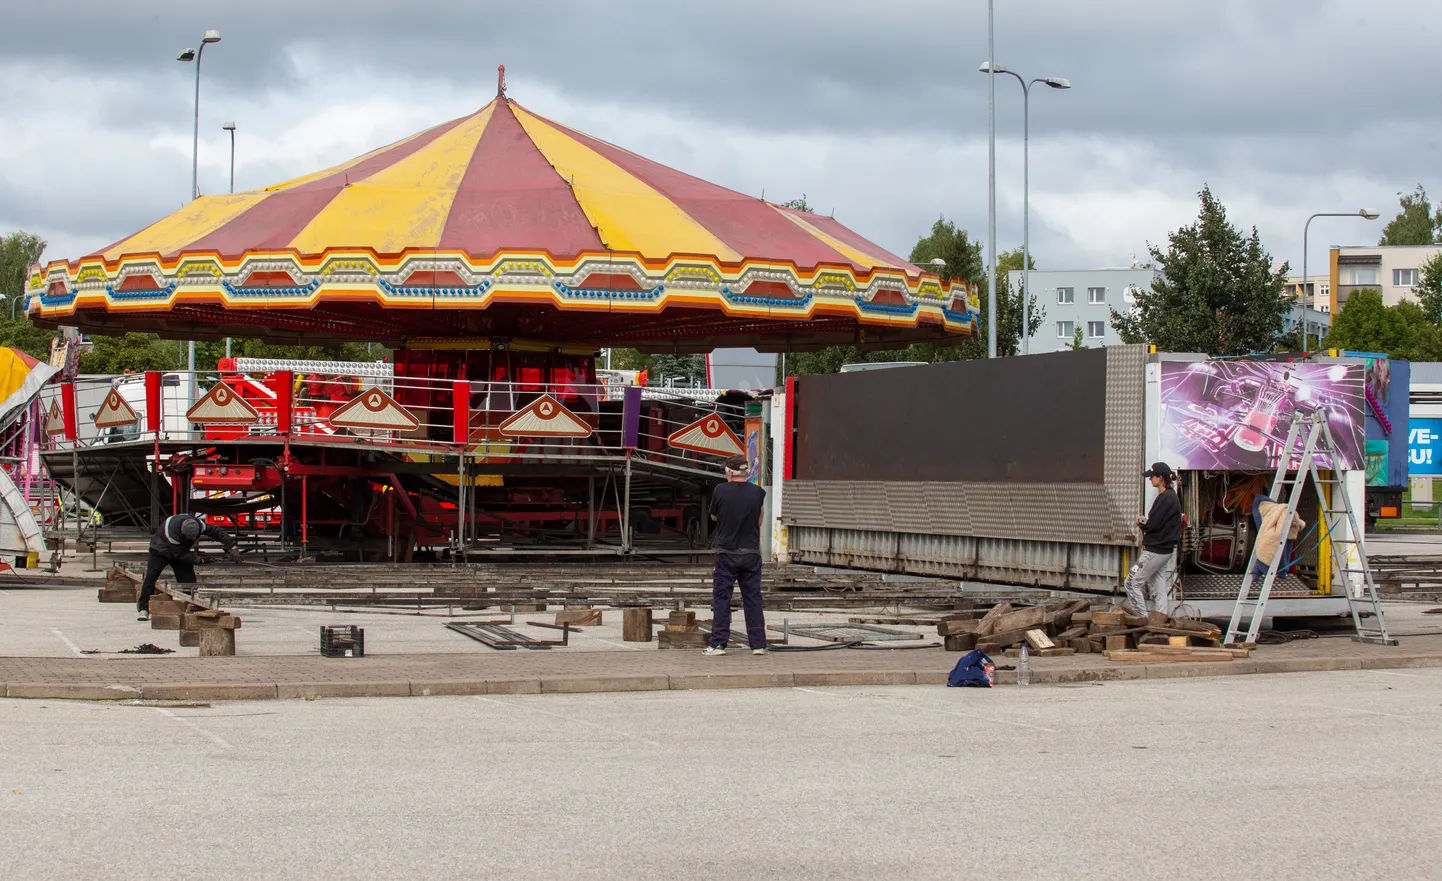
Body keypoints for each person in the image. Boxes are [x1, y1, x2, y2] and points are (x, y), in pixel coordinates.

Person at [704, 454, 768, 656]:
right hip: (751, 553)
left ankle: (718, 644)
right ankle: (758, 644)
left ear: (729, 471)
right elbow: (760, 517)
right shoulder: (758, 492)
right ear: (746, 472)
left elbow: (713, 515)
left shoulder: (720, 490)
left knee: (722, 597)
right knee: (753, 597)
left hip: (726, 552)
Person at [137, 513, 240, 621]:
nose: (194, 538)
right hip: (160, 550)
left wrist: (232, 547)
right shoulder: (172, 533)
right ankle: (143, 609)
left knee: (188, 580)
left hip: (180, 549)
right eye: (191, 537)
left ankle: (192, 605)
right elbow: (179, 555)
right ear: (183, 532)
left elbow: (217, 532)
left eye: (195, 536)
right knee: (150, 578)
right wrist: (197, 559)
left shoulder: (199, 525)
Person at [1124, 462, 1182, 616]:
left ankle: (1141, 617)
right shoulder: (1171, 497)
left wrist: (1142, 523)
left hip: (1155, 550)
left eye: (1152, 477)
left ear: (1160, 478)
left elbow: (1153, 525)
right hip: (1165, 551)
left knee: (1131, 582)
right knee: (1159, 583)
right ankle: (1160, 617)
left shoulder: (1164, 498)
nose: (1150, 480)